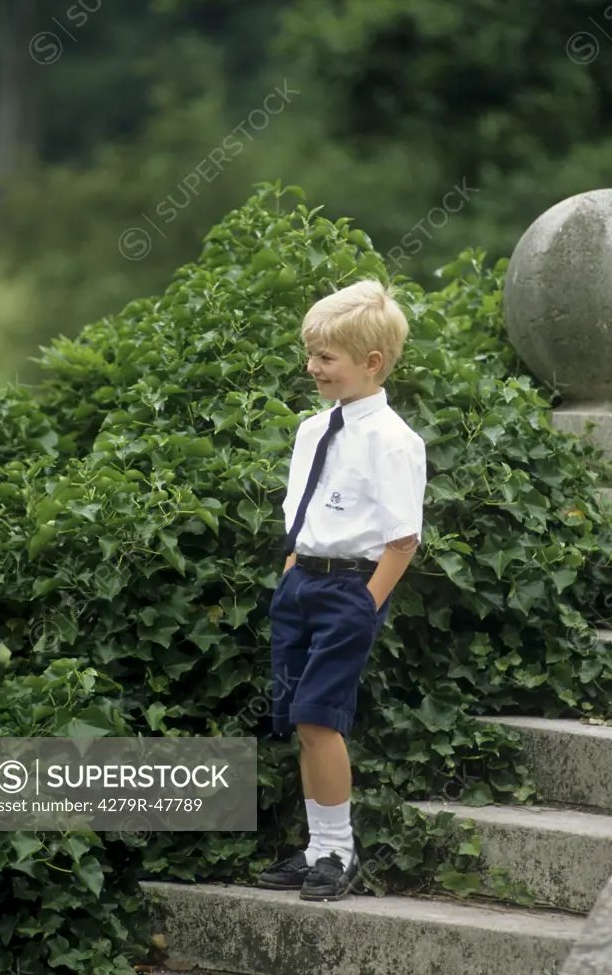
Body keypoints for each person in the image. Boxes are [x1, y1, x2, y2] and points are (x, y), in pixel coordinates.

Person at [257, 277, 427, 902]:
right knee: (301, 723)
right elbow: (302, 512)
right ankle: (317, 848)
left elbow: (403, 539)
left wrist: (366, 604)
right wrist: (292, 570)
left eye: (326, 357)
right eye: (312, 354)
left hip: (351, 593)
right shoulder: (311, 430)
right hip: (302, 585)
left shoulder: (393, 441)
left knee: (319, 719)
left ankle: (340, 853)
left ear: (371, 364)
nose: (312, 367)